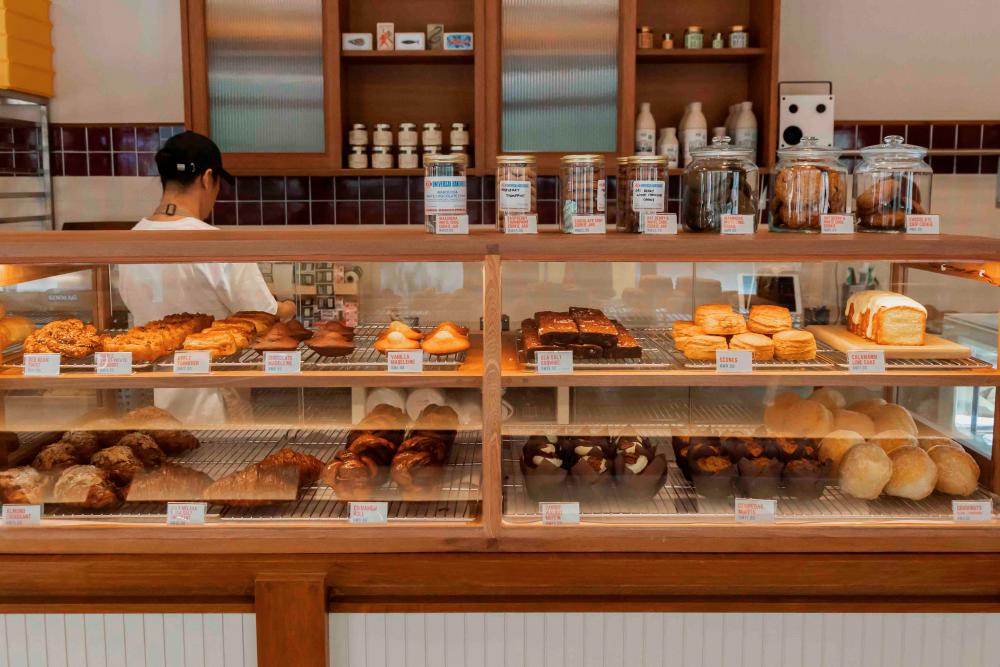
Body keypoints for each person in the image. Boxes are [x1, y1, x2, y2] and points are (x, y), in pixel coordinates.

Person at [117, 131, 296, 423]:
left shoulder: (129, 241)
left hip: (152, 401)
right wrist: (289, 307)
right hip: (213, 401)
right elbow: (264, 316)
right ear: (207, 177)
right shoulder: (217, 245)